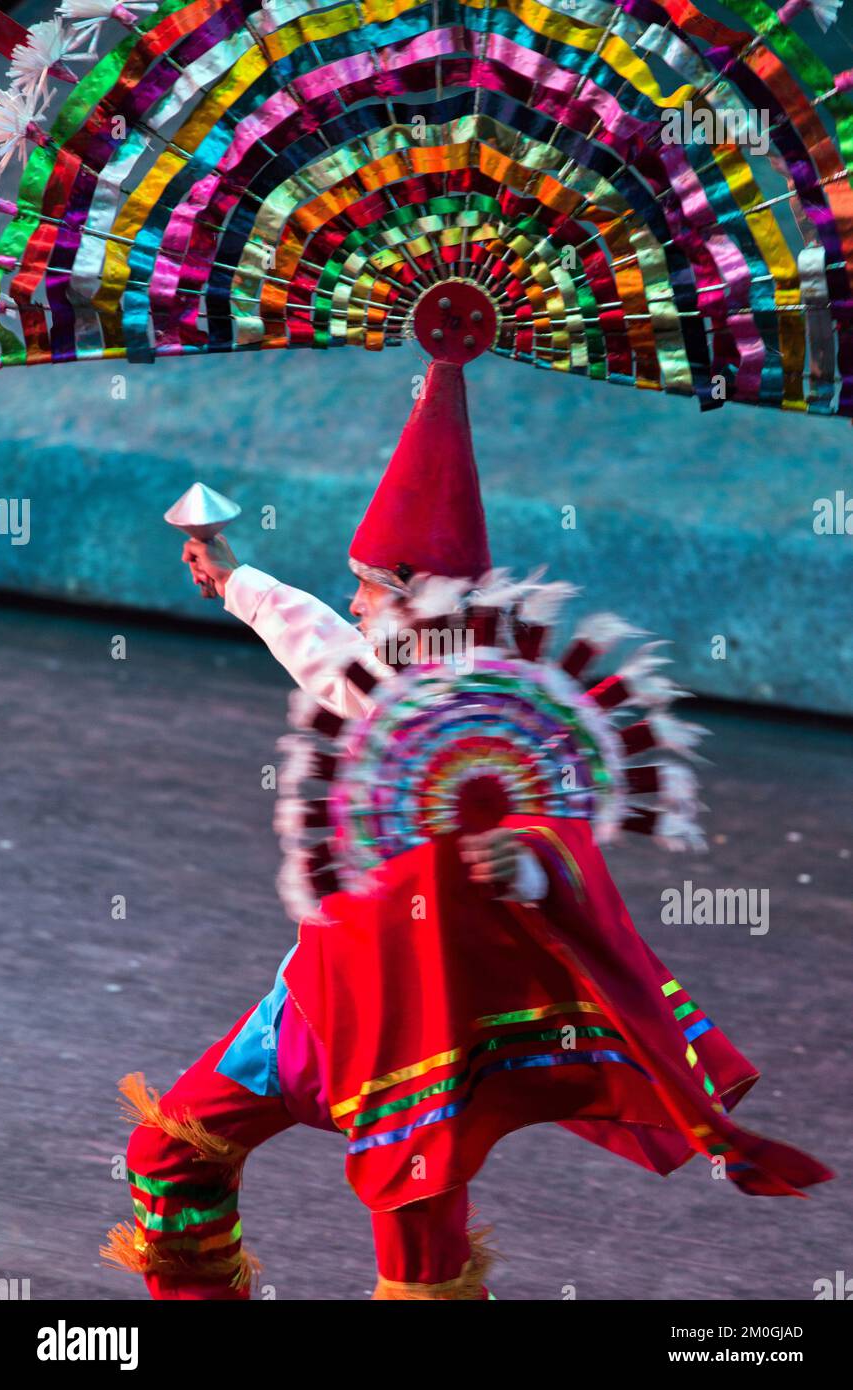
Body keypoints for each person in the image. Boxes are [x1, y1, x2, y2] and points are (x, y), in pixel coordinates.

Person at [102, 362, 833, 1302]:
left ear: (410, 591)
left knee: (421, 1272)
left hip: (425, 1055)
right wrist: (235, 575)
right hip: (311, 1011)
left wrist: (521, 865)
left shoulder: (499, 724)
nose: (355, 600)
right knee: (170, 1151)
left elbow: (561, 844)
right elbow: (318, 641)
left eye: (368, 585)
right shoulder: (385, 692)